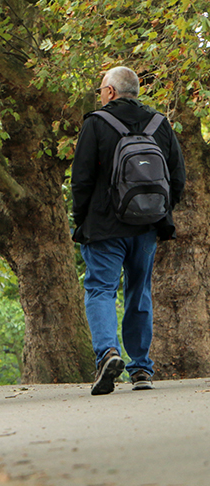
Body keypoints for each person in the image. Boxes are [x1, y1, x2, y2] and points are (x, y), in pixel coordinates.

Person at [72, 66, 185, 395]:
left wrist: (82, 218)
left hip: (104, 226)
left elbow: (81, 179)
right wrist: (159, 212)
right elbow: (177, 178)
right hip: (146, 227)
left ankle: (107, 353)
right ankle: (141, 370)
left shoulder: (96, 123)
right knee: (139, 292)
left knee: (100, 290)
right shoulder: (159, 124)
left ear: (109, 92)